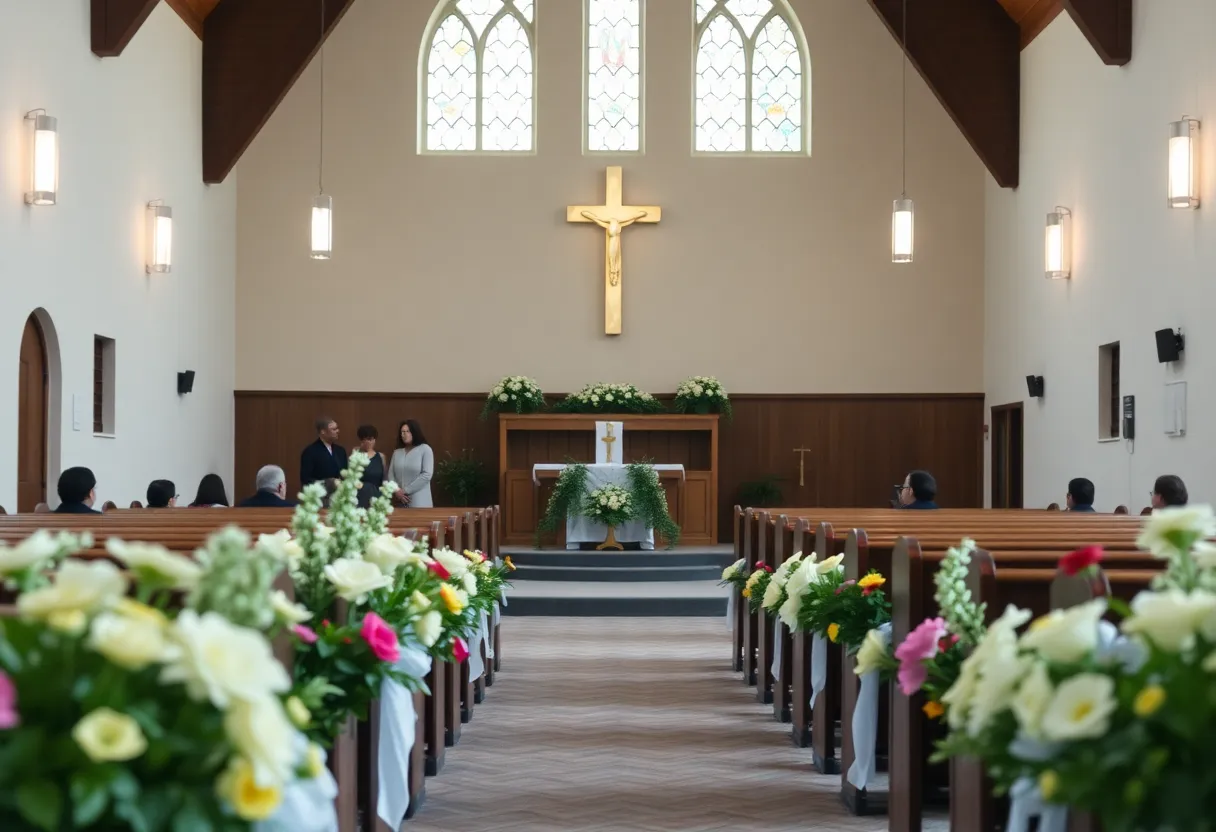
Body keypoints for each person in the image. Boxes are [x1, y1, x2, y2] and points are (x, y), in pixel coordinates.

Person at [388, 419, 434, 508]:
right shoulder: (397, 452)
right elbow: (391, 475)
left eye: (407, 431)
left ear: (414, 432)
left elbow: (426, 475)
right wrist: (397, 491)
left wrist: (405, 490)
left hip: (420, 500)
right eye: (402, 432)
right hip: (400, 500)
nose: (404, 434)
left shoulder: (425, 449)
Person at [300, 416, 348, 490]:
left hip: (340, 495)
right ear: (323, 431)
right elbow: (306, 479)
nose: (338, 431)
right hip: (321, 496)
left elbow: (345, 473)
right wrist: (327, 483)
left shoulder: (340, 451)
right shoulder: (310, 451)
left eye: (337, 428)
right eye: (334, 429)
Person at [355, 425, 388, 508]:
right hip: (360, 497)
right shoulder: (356, 456)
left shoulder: (381, 457)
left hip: (377, 496)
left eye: (373, 439)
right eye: (369, 439)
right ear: (362, 440)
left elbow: (385, 479)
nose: (372, 442)